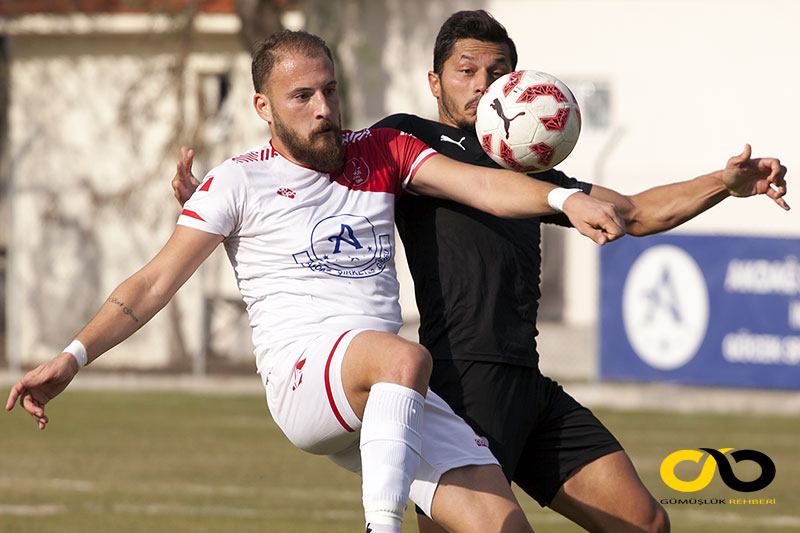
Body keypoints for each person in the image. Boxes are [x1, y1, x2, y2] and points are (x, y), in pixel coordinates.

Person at [170, 11, 790, 533]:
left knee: (647, 523)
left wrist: (723, 183)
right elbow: (311, 162)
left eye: (497, 73)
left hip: (529, 382)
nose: (483, 85)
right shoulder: (400, 143)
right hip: (457, 388)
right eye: (466, 71)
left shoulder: (527, 171)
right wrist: (222, 199)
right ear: (434, 81)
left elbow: (632, 212)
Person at [5, 30, 628, 533]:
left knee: (502, 526)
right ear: (263, 107)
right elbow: (151, 285)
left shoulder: (382, 151)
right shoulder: (236, 182)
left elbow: (488, 185)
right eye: (302, 96)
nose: (324, 109)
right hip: (307, 379)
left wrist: (562, 200)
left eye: (330, 90)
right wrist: (72, 357)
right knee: (406, 356)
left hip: (385, 391)